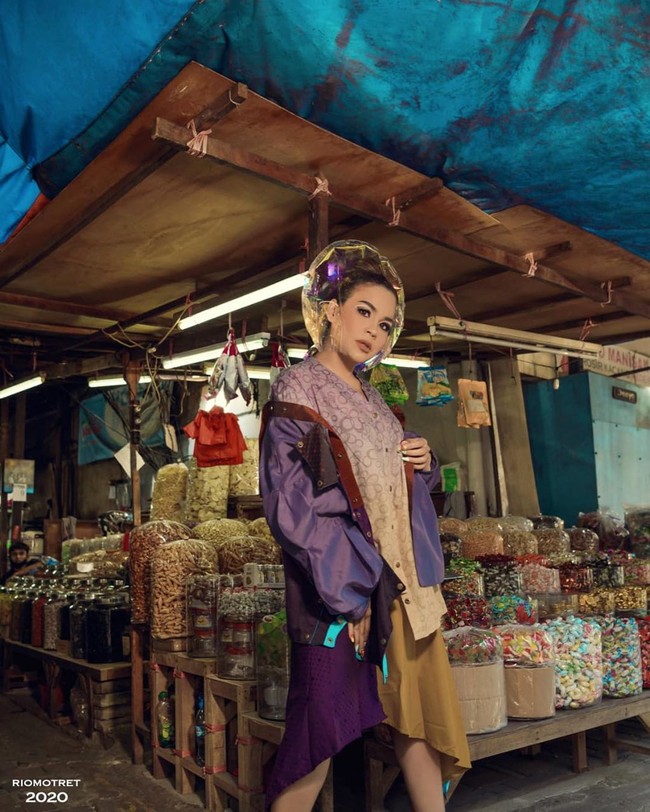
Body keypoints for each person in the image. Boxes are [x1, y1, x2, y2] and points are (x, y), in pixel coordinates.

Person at [259, 240, 470, 812]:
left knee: (418, 723)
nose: (375, 331)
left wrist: (423, 469)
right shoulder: (298, 392)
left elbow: (390, 494)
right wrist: (351, 597)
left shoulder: (377, 401)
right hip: (342, 592)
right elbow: (297, 508)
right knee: (317, 737)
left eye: (386, 323)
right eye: (364, 313)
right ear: (331, 310)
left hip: (406, 587)